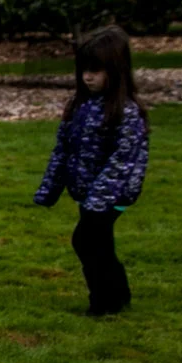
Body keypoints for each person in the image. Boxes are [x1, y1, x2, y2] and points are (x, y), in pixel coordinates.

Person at [34, 25, 148, 317]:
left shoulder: (126, 112)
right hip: (89, 194)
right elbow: (63, 150)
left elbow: (122, 161)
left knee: (87, 241)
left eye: (96, 70)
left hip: (114, 194)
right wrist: (49, 189)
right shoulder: (80, 106)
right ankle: (118, 298)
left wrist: (98, 201)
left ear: (116, 70)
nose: (88, 77)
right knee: (97, 243)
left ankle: (103, 303)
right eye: (84, 69)